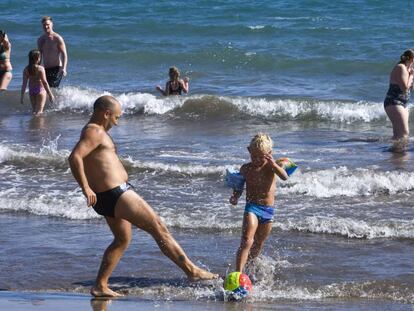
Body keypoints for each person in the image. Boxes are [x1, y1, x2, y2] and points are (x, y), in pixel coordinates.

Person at [69, 95, 217, 297]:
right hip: (116, 194)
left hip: (107, 197)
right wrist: (85, 188)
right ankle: (192, 271)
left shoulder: (94, 130)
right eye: (116, 117)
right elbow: (75, 156)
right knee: (158, 227)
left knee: (122, 240)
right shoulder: (94, 131)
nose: (117, 122)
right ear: (106, 113)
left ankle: (100, 285)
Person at [229, 133, 288, 273]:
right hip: (252, 208)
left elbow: (284, 177)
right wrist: (235, 197)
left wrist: (274, 164)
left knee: (258, 244)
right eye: (253, 156)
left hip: (268, 211)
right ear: (249, 151)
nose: (256, 160)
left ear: (269, 154)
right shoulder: (246, 169)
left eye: (261, 157)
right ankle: (238, 274)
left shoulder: (271, 167)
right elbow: (239, 186)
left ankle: (249, 267)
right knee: (247, 241)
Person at [384, 49, 414, 143]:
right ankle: (399, 154)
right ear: (412, 59)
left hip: (403, 104)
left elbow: (410, 89)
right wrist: (411, 76)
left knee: (398, 134)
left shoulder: (407, 70)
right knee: (404, 133)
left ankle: (396, 154)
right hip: (394, 102)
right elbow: (405, 88)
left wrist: (412, 75)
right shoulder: (400, 67)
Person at [20, 49, 54, 115]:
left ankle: (33, 124)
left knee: (34, 111)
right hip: (40, 90)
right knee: (39, 112)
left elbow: (24, 84)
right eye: (39, 57)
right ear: (37, 58)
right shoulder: (40, 68)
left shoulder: (26, 69)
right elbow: (45, 82)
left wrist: (22, 96)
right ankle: (38, 124)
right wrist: (50, 94)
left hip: (31, 91)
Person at [37, 16, 68, 88]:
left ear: (52, 24)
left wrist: (64, 68)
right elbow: (39, 55)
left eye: (48, 24)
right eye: (44, 25)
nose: (46, 26)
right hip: (46, 69)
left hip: (57, 68)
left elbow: (64, 54)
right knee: (45, 88)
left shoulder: (57, 38)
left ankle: (58, 98)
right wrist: (37, 67)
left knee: (53, 87)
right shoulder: (41, 40)